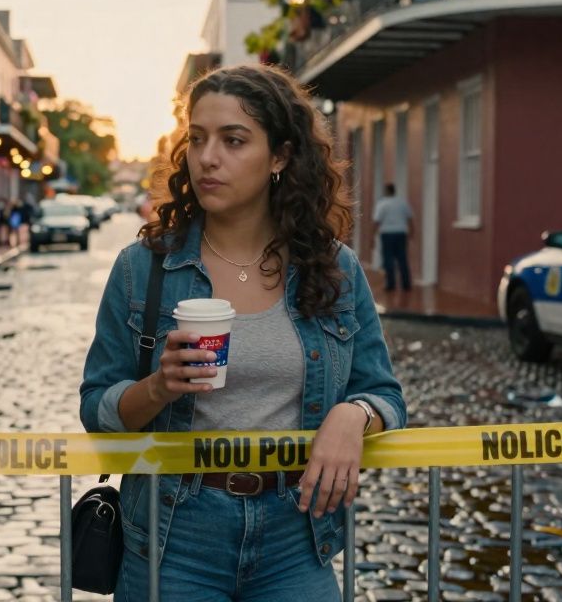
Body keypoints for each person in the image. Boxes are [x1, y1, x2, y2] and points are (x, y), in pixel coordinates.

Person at [79, 64, 406, 600]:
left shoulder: (334, 268)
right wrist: (157, 388)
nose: (209, 158)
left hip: (297, 534)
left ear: (279, 156)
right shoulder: (144, 269)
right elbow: (97, 408)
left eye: (234, 141)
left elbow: (384, 393)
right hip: (173, 534)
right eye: (199, 139)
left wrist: (356, 414)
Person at [372, 183, 415, 292]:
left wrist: (372, 236)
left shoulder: (382, 204)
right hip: (401, 233)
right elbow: (410, 218)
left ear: (387, 191)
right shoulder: (402, 203)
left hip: (387, 234)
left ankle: (391, 284)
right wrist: (412, 232)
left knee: (388, 259)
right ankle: (406, 284)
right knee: (402, 258)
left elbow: (377, 221)